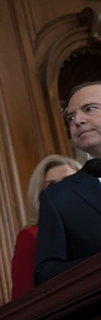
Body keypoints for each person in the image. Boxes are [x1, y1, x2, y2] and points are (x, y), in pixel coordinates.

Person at [11, 154, 81, 320]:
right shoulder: (32, 238)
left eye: (70, 180)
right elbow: (25, 312)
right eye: (51, 186)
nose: (63, 189)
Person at [35, 81, 101, 285]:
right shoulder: (58, 197)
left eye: (89, 109)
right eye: (71, 117)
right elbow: (45, 273)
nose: (77, 121)